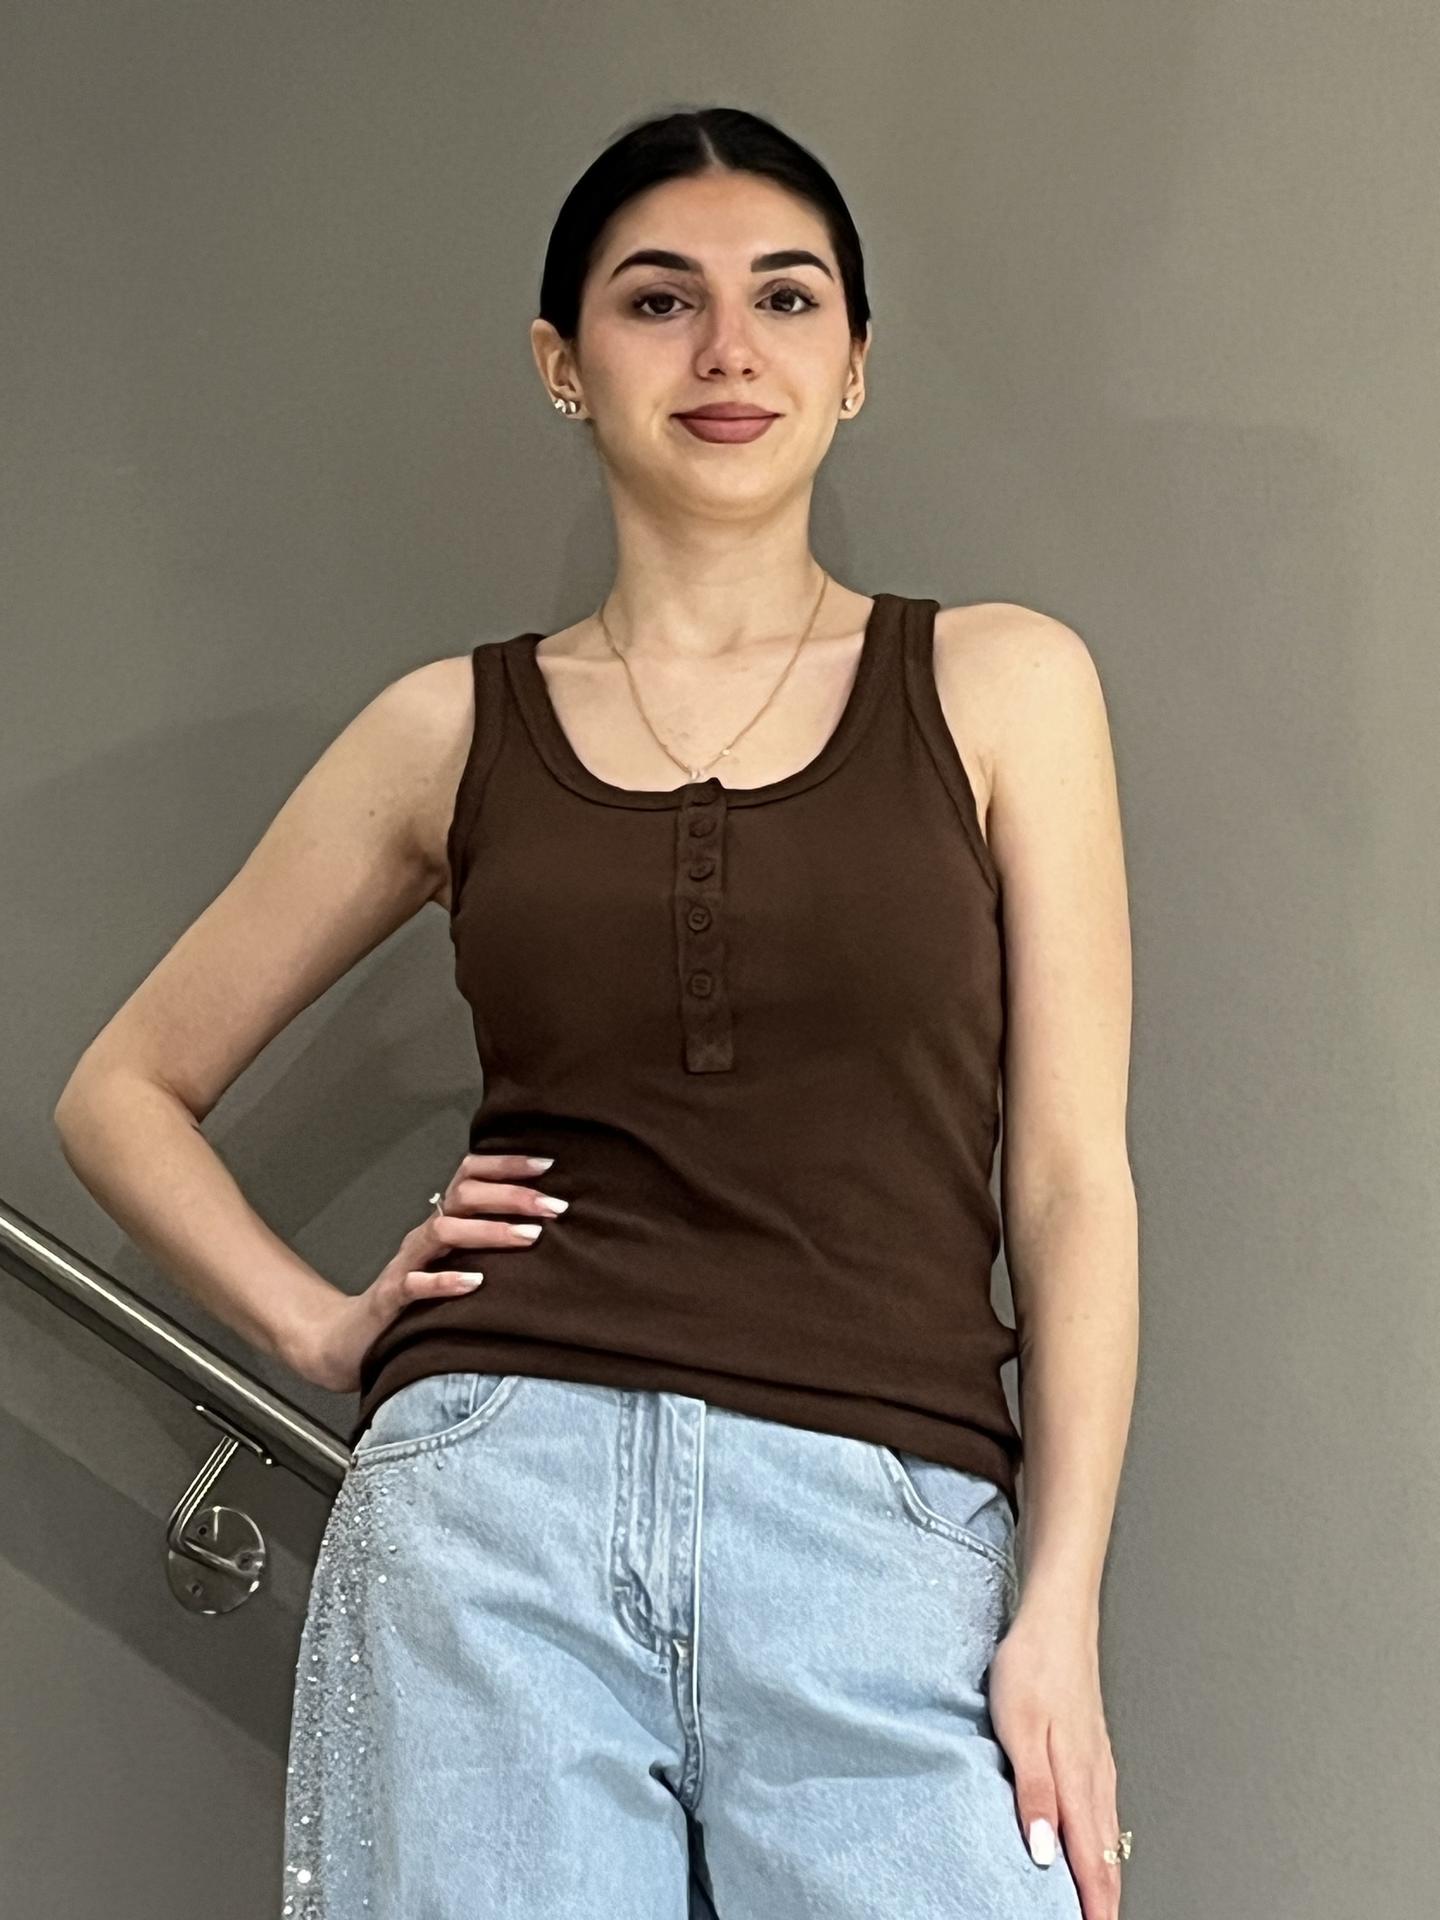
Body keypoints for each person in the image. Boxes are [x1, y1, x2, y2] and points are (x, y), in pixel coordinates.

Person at [54, 105, 1136, 1920]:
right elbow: (122, 1090)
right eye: (658, 300)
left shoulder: (1002, 685)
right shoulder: (447, 730)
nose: (728, 350)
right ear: (564, 362)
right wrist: (324, 1330)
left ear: (855, 363)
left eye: (785, 297)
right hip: (497, 1512)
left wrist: (1063, 1610)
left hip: (885, 1524)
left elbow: (1073, 1180)